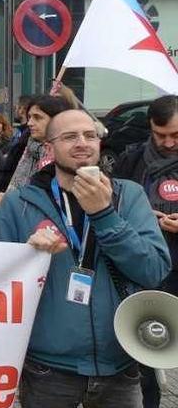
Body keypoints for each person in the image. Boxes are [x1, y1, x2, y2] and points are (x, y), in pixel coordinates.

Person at [0, 109, 170, 408]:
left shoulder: (129, 196)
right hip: (47, 369)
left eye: (90, 135)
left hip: (119, 367)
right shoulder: (20, 203)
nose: (82, 142)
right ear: (49, 148)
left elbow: (153, 270)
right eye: (70, 136)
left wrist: (105, 215)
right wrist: (26, 256)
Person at [112, 95, 178, 408]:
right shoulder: (132, 158)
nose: (167, 142)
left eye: (176, 135)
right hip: (146, 270)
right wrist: (138, 215)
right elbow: (115, 203)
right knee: (145, 352)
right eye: (160, 134)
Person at [0, 95, 72, 205]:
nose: (29, 123)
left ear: (57, 120)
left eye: (37, 117)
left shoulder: (67, 157)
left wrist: (15, 201)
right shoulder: (27, 147)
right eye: (29, 117)